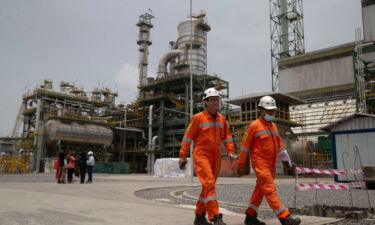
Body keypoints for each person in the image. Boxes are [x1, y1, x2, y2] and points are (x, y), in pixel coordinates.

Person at [237, 96, 301, 225]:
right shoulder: (253, 126)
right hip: (260, 164)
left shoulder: (274, 127)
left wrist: (286, 162)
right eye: (268, 110)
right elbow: (244, 147)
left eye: (272, 110)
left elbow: (281, 147)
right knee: (270, 189)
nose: (271, 113)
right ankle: (284, 217)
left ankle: (250, 217)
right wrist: (241, 164)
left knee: (260, 190)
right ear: (261, 110)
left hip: (271, 164)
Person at [179, 88, 236, 225]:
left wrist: (230, 151)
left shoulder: (222, 119)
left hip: (216, 156)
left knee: (207, 187)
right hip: (201, 155)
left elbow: (227, 136)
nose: (216, 102)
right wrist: (183, 155)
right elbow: (188, 137)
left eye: (217, 99)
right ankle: (216, 216)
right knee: (209, 183)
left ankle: (199, 216)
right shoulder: (198, 118)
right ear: (205, 102)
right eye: (212, 100)